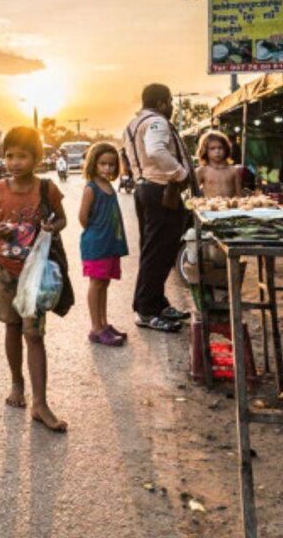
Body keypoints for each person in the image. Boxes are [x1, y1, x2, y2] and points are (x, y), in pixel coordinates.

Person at [0, 126, 68, 432]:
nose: (15, 162)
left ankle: (40, 403)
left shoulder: (47, 189)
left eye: (22, 156)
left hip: (36, 273)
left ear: (36, 158)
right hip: (5, 269)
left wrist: (50, 227)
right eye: (10, 156)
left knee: (35, 335)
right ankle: (17, 384)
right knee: (12, 326)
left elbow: (62, 219)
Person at [122, 84, 192, 333]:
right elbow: (155, 150)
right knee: (158, 252)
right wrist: (179, 173)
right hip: (162, 191)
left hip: (145, 190)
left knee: (155, 251)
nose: (172, 106)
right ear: (162, 102)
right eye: (170, 101)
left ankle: (157, 302)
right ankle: (146, 310)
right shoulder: (157, 122)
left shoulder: (132, 124)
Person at [79, 142, 129, 346]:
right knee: (96, 283)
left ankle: (104, 323)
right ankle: (96, 328)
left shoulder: (109, 186)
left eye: (111, 164)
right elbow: (82, 217)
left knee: (104, 283)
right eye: (102, 164)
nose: (107, 168)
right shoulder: (91, 188)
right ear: (93, 164)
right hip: (96, 244)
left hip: (110, 243)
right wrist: (97, 233)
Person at [195, 129, 244, 198]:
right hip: (209, 207)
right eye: (212, 148)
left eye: (220, 148)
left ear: (226, 149)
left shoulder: (234, 171)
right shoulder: (201, 171)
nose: (217, 151)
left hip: (229, 207)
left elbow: (239, 195)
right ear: (205, 150)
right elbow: (194, 195)